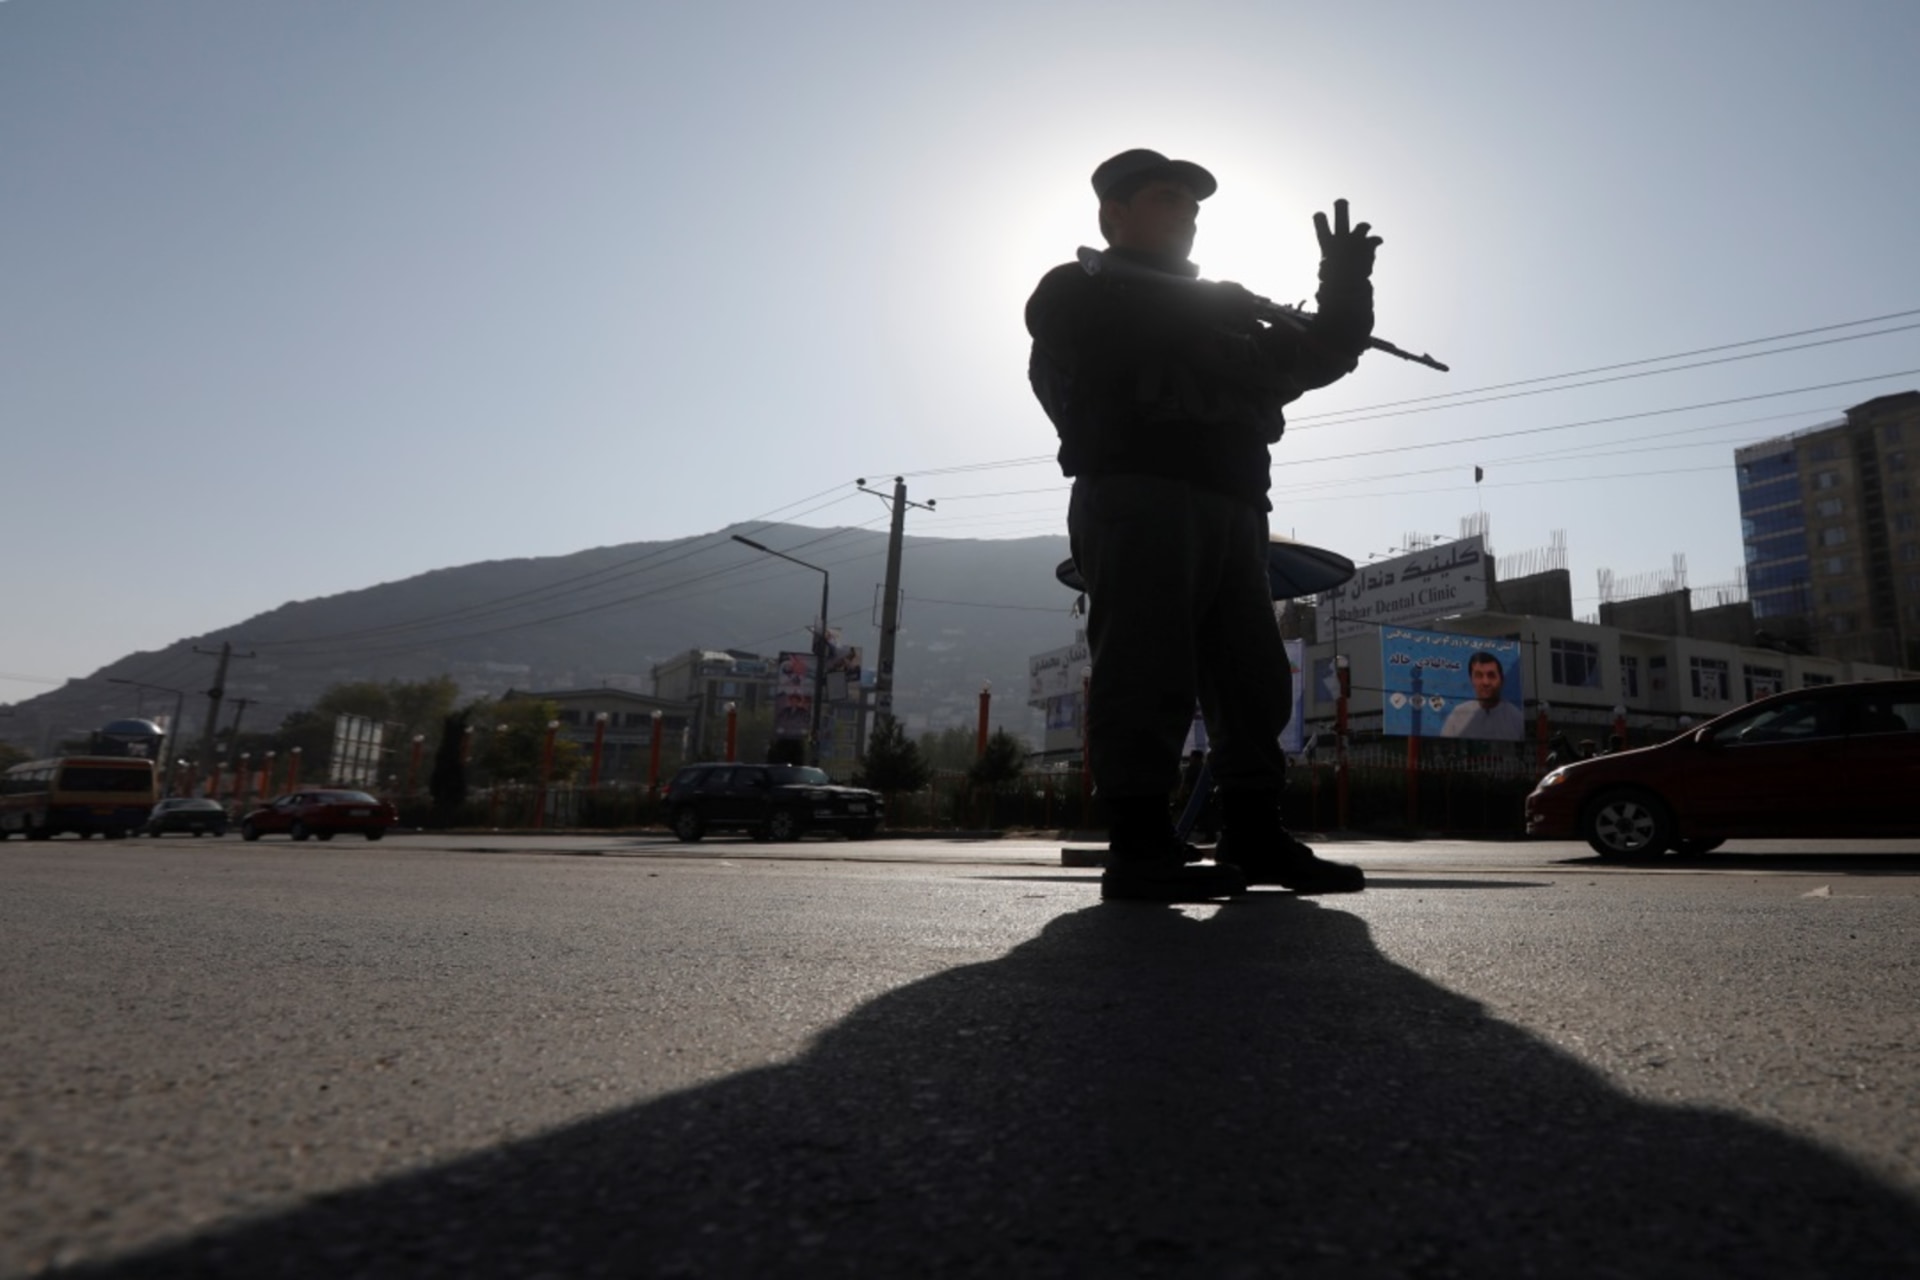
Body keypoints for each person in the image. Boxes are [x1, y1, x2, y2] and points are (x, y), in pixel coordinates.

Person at [1025, 148, 1378, 902]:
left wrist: (1344, 287)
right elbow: (1087, 335)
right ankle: (1140, 845)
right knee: (1146, 669)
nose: (1187, 214)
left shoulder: (1218, 313)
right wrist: (1206, 303)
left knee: (1251, 679)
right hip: (1138, 495)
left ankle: (1254, 835)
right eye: (1166, 199)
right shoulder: (1077, 289)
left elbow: (1316, 354)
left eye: (1193, 205)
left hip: (1238, 507)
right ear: (1114, 214)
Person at [1438, 652, 1526, 741]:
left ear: (1501, 680)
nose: (1486, 682)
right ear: (1471, 680)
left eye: (1491, 675)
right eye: (1479, 675)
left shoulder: (1516, 718)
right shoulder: (1458, 715)